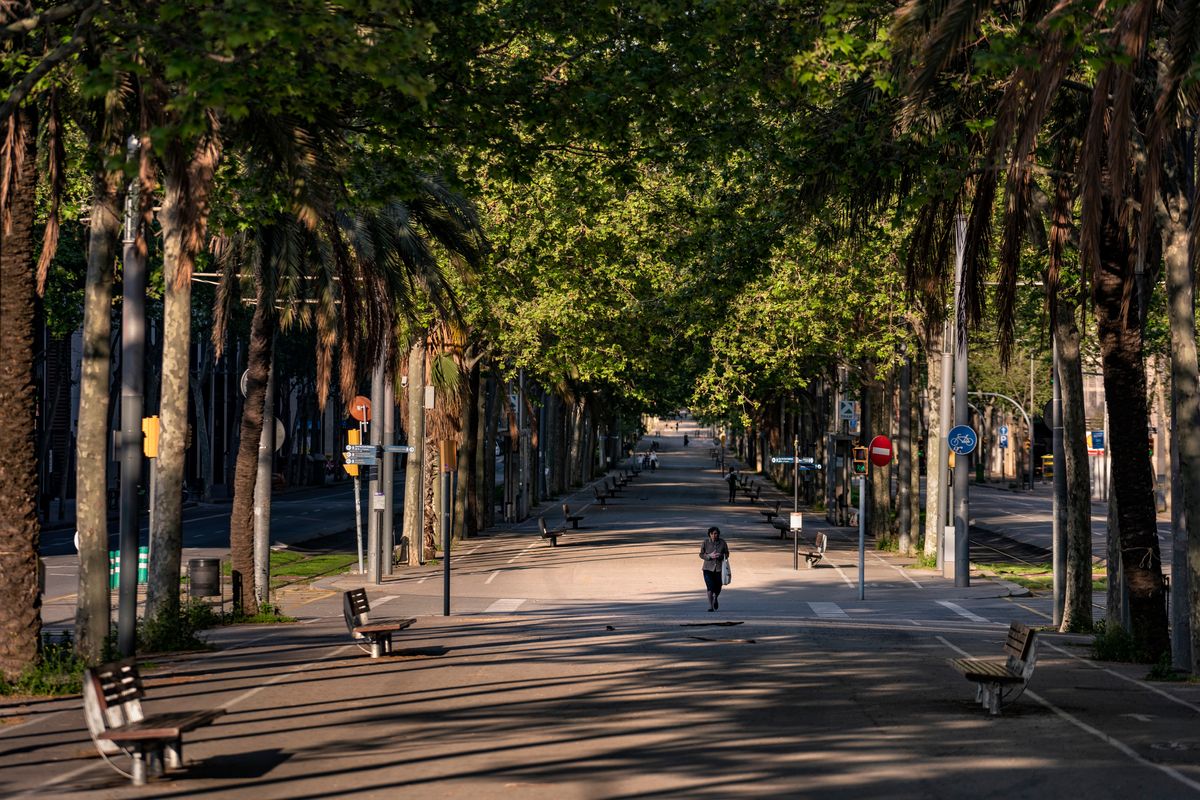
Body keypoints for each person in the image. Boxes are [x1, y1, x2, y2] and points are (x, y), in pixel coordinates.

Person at [700, 526, 730, 611]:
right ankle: (710, 606)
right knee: (710, 587)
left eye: (716, 533)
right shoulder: (705, 542)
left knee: (718, 587)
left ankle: (715, 597)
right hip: (707, 568)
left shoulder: (723, 542)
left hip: (719, 569)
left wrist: (721, 556)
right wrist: (709, 556)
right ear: (709, 534)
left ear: (718, 534)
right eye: (712, 533)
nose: (714, 535)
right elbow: (701, 554)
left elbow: (727, 554)